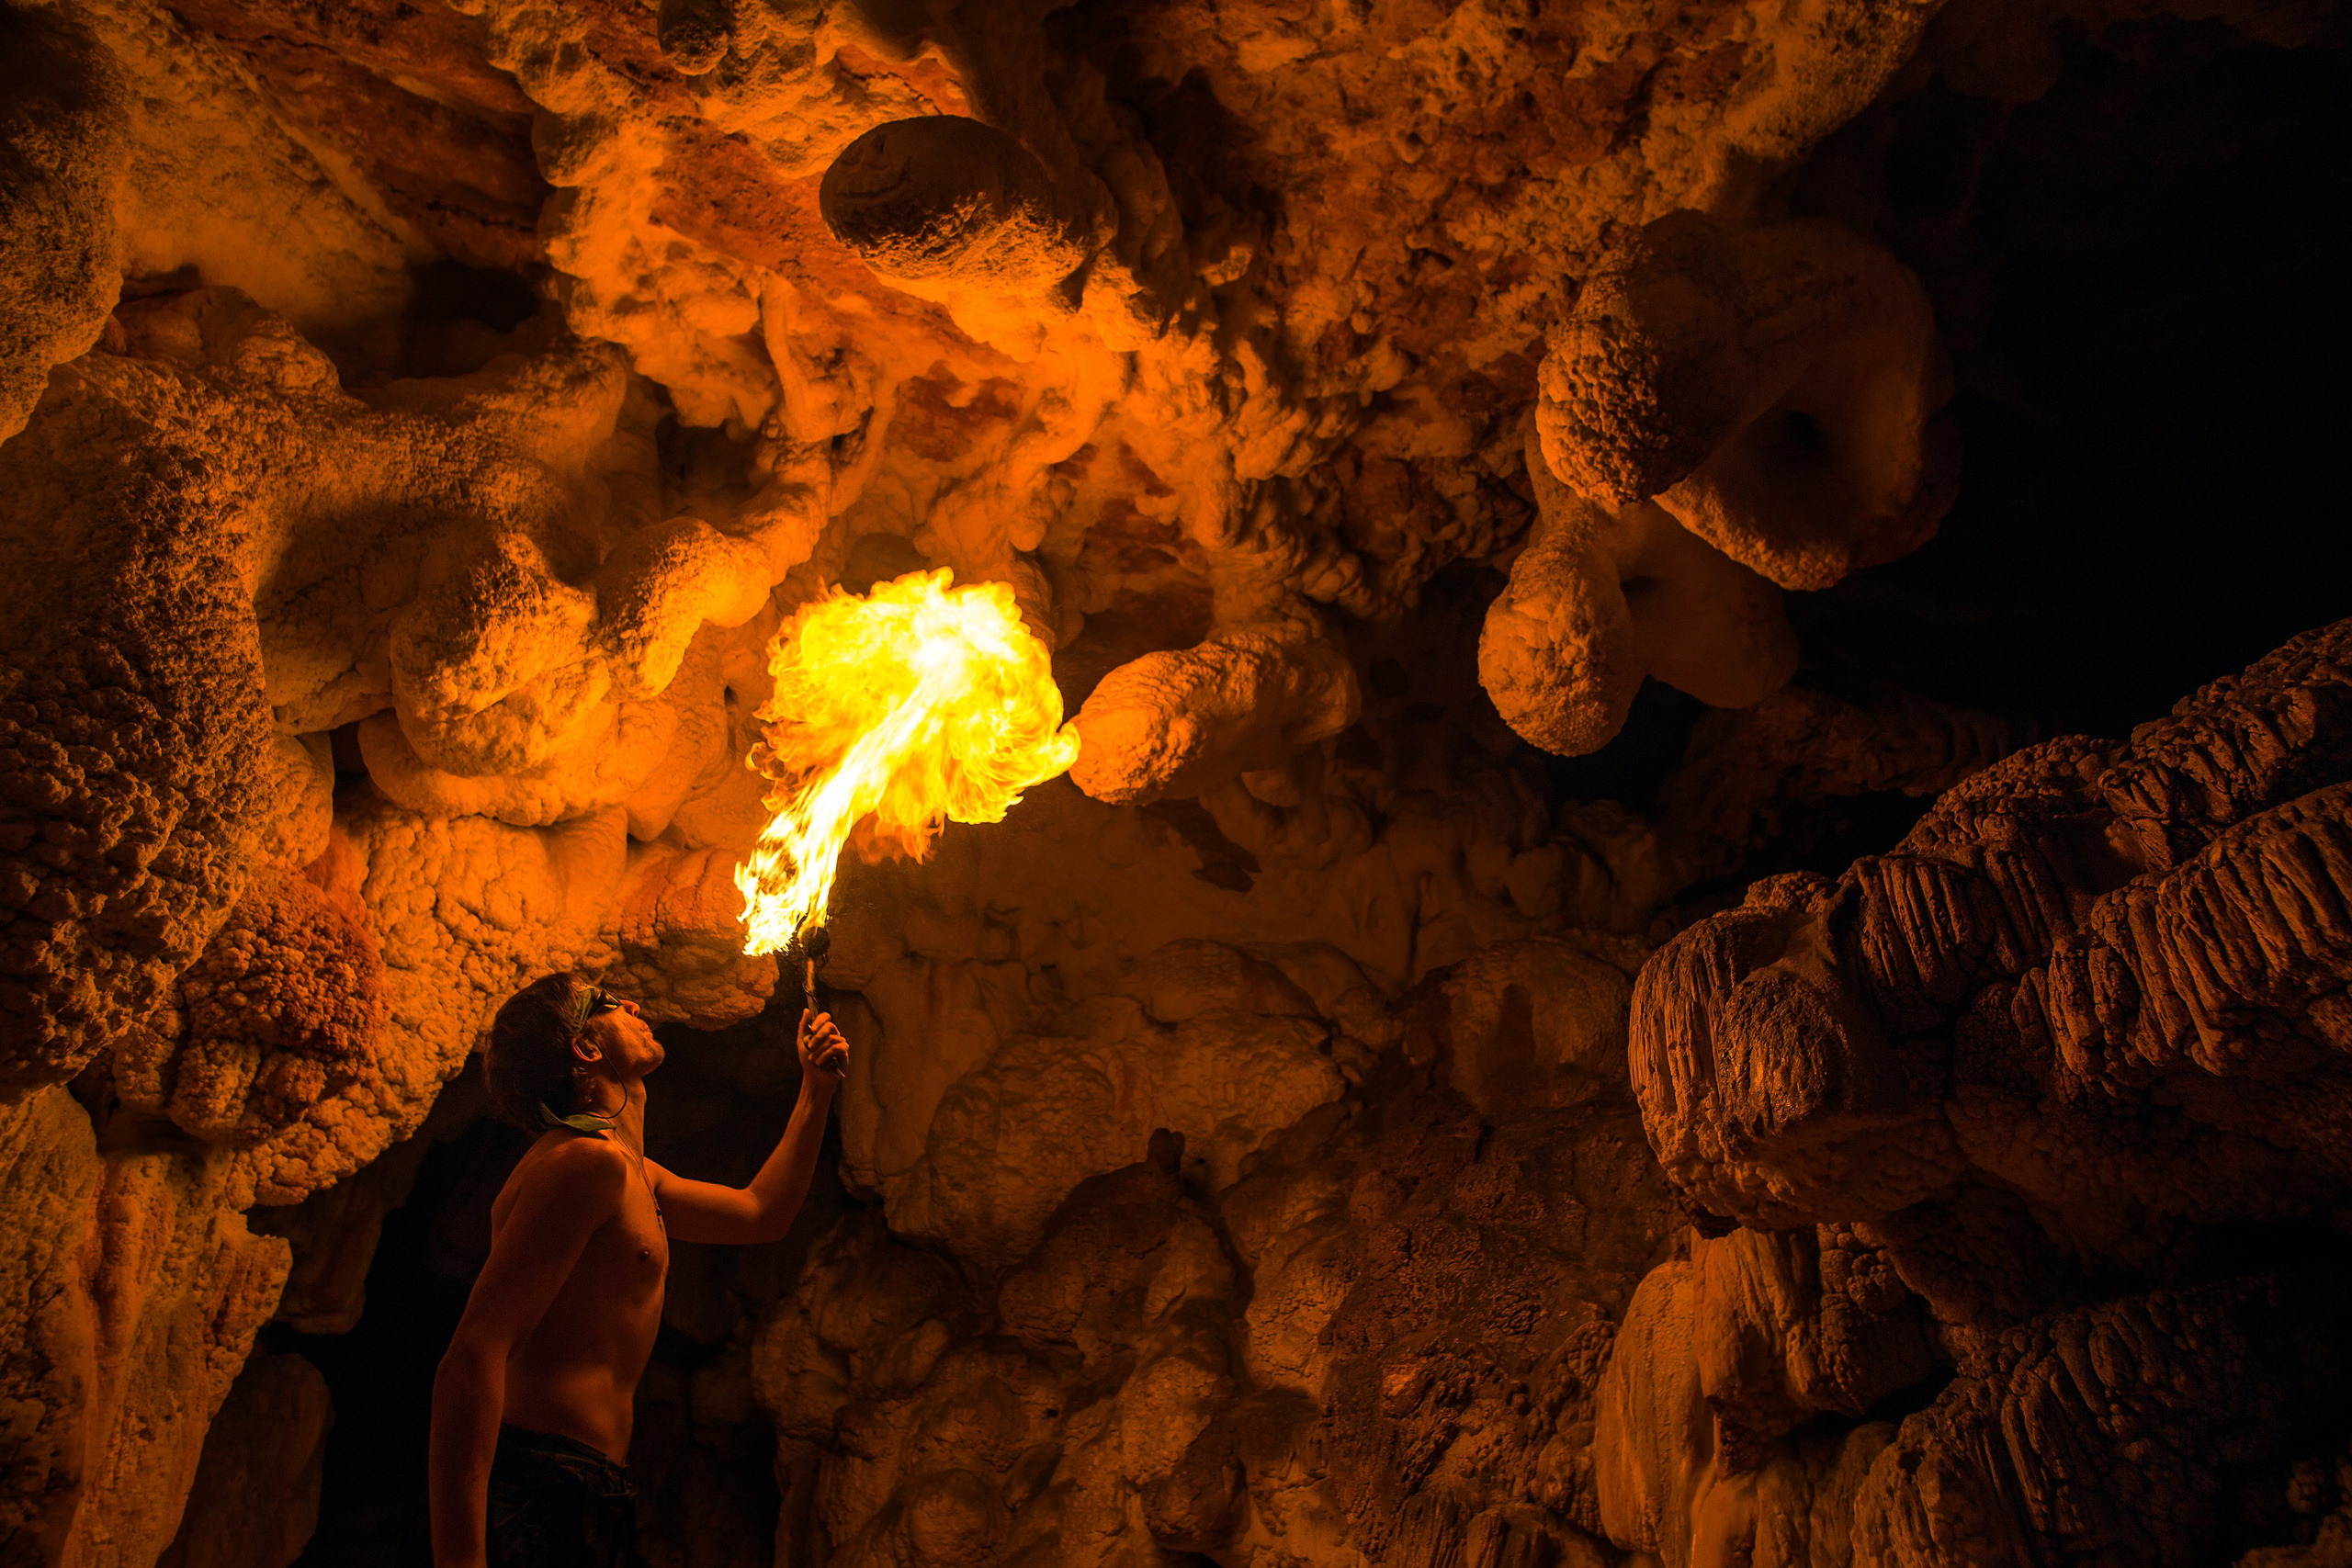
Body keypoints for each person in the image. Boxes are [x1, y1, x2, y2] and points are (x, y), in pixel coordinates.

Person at [428, 973, 847, 1568]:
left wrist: (816, 1089)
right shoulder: (581, 1164)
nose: (630, 1002)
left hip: (591, 1485)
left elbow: (762, 1212)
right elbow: (471, 1354)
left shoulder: (632, 1172)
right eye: (604, 1003)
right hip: (541, 1480)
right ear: (586, 1049)